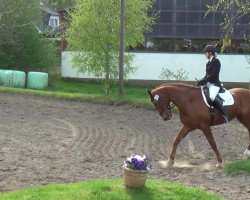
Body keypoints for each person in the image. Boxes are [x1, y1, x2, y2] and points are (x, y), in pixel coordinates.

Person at [197, 44, 229, 123]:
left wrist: (205, 80)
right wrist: (201, 80)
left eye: (205, 53)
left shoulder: (216, 61)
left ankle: (225, 114)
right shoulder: (208, 63)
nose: (205, 55)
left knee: (211, 96)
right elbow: (207, 75)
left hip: (215, 84)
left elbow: (214, 75)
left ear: (210, 53)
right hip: (208, 84)